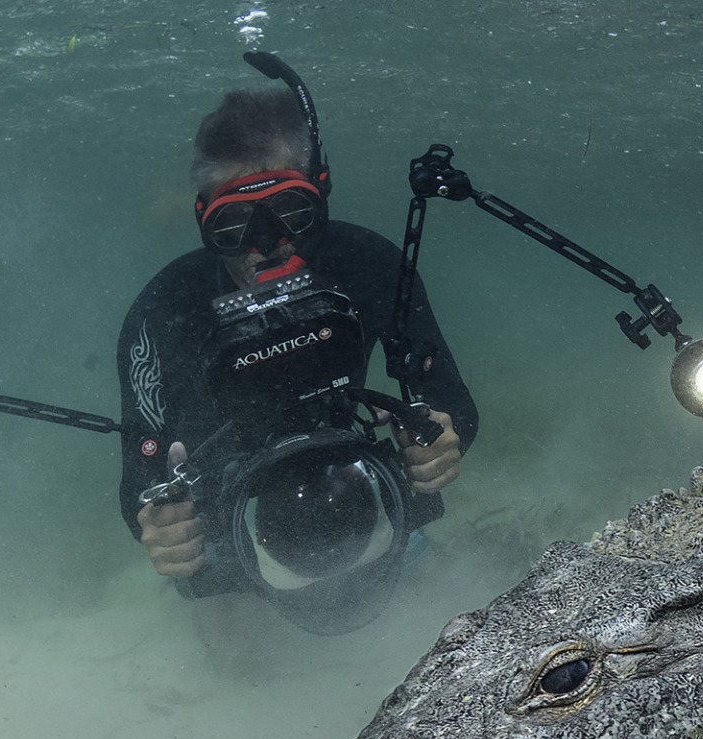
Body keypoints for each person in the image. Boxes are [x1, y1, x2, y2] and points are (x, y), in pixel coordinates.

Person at [115, 80, 478, 667]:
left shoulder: (369, 264)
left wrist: (438, 441)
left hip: (370, 505)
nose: (265, 244)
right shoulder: (164, 308)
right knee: (245, 675)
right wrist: (162, 526)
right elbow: (140, 476)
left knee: (448, 648)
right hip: (230, 544)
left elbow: (450, 403)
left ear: (321, 193)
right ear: (203, 217)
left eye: (290, 211)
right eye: (235, 224)